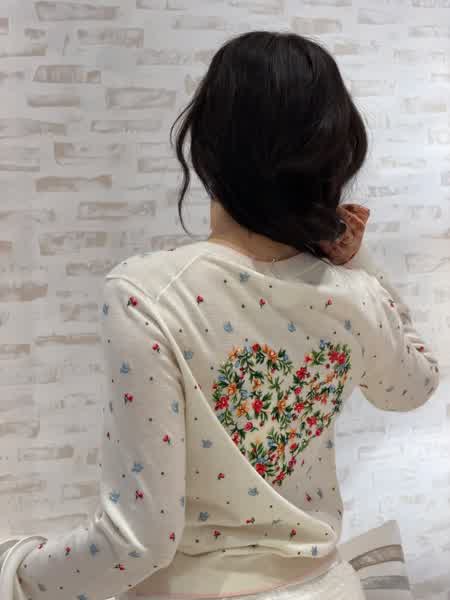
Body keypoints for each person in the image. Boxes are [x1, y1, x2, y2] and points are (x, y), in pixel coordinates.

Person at [0, 30, 440, 600]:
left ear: (205, 145)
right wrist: (361, 262)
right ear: (335, 156)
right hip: (326, 586)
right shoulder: (355, 295)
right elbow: (414, 385)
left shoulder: (148, 295)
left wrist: (18, 571)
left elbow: (137, 542)